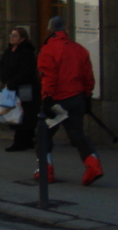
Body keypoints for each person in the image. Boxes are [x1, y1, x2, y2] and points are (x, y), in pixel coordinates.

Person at [35, 16, 102, 185]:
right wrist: (87, 96)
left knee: (43, 133)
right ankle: (93, 165)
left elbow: (48, 76)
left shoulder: (49, 50)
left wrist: (47, 98)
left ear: (50, 30)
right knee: (77, 135)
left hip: (58, 100)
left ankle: (46, 169)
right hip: (77, 98)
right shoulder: (79, 49)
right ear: (65, 30)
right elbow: (88, 76)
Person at [0, 26, 38, 152]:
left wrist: (13, 82)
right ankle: (27, 140)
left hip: (24, 87)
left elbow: (26, 72)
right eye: (11, 35)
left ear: (22, 39)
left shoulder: (27, 53)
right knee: (15, 113)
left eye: (15, 35)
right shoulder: (9, 50)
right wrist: (5, 79)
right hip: (11, 86)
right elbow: (2, 65)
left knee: (24, 114)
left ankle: (21, 141)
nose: (11, 37)